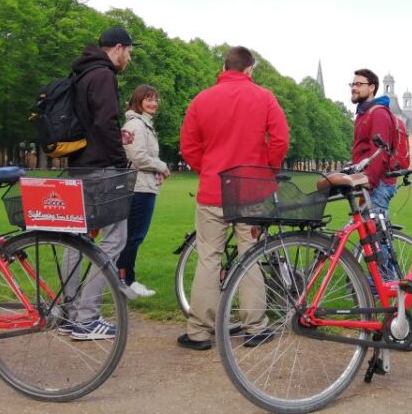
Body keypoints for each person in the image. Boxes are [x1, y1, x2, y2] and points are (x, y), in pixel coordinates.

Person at [177, 46, 289, 350]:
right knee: (249, 255)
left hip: (214, 189)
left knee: (209, 259)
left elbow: (188, 146)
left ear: (225, 66)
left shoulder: (202, 99)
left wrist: (209, 170)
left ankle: (199, 330)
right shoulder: (263, 96)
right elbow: (280, 139)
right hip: (250, 189)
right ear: (249, 69)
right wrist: (266, 169)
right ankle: (255, 326)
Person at [61, 26, 137, 340]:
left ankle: (68, 312)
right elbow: (106, 123)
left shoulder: (79, 73)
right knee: (115, 238)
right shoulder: (104, 75)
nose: (129, 58)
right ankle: (87, 317)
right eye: (130, 52)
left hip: (79, 166)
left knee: (76, 241)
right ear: (118, 48)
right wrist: (120, 162)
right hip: (102, 168)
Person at [116, 84, 171, 299]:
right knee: (133, 236)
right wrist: (161, 166)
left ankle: (124, 278)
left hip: (145, 187)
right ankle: (126, 281)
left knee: (134, 236)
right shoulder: (136, 125)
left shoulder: (144, 125)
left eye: (155, 99)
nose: (153, 103)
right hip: (138, 188)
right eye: (148, 99)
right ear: (138, 101)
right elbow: (137, 157)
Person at [350, 68, 398, 277]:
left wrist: (368, 181)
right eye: (352, 84)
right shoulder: (364, 113)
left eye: (359, 84)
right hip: (370, 181)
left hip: (378, 183)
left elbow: (380, 152)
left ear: (372, 88)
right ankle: (369, 282)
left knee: (376, 236)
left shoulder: (377, 112)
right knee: (368, 233)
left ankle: (388, 286)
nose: (354, 87)